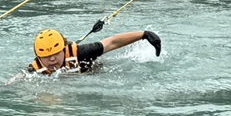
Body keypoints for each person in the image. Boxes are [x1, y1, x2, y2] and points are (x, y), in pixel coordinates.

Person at [30, 26, 162, 76]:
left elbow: (112, 42)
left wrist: (143, 34)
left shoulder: (82, 53)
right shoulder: (35, 70)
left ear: (64, 49)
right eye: (46, 56)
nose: (52, 59)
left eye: (56, 54)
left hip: (94, 71)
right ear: (38, 57)